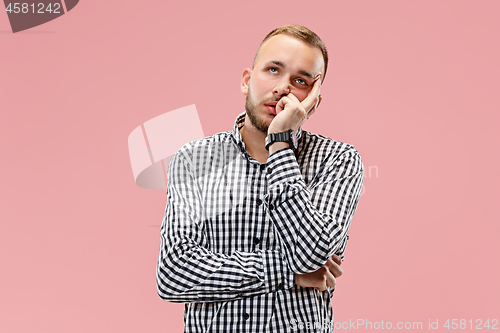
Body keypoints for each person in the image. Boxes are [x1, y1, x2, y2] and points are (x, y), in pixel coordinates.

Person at [157, 25, 363, 332]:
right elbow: (174, 274)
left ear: (313, 102)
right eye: (273, 69)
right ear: (247, 80)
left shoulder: (338, 160)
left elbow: (312, 256)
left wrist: (280, 142)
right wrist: (286, 272)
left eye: (301, 81)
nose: (283, 88)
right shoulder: (194, 159)